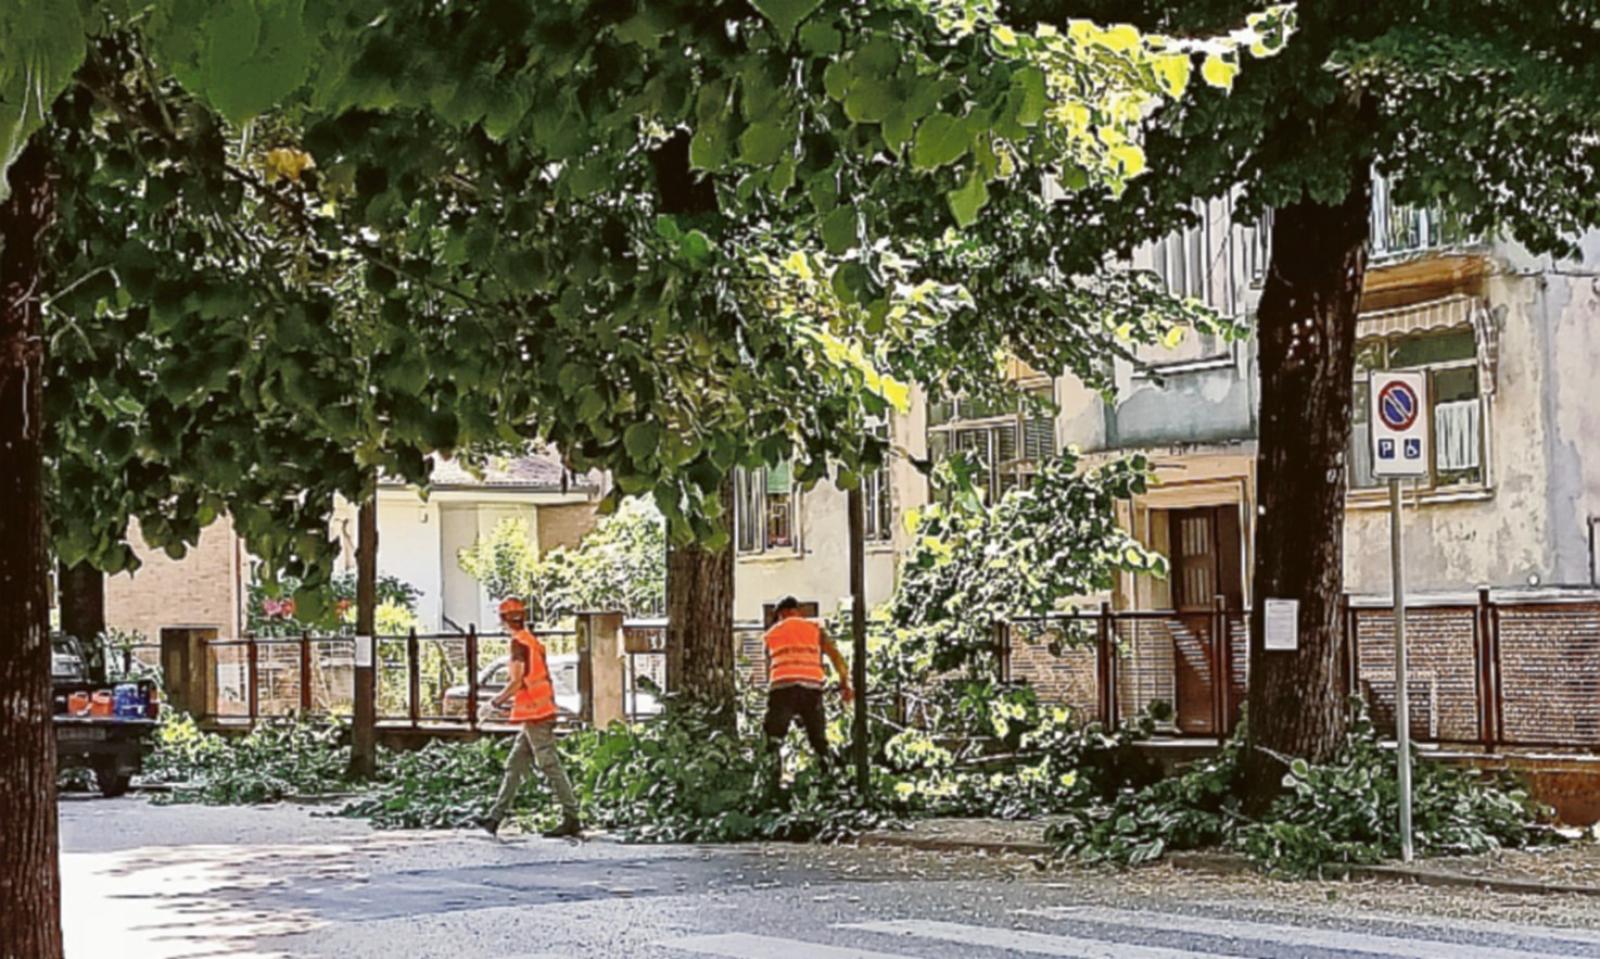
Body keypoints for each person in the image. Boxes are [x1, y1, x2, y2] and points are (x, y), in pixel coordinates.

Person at [475, 597, 581, 839]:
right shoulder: (531, 641)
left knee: (549, 764)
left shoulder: (518, 644)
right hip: (540, 710)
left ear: (503, 620)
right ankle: (495, 818)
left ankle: (572, 817)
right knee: (515, 764)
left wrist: (494, 703)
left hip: (536, 713)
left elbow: (516, 682)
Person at [762, 595, 853, 781]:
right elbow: (836, 658)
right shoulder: (815, 630)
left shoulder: (771, 635)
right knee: (818, 738)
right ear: (797, 611)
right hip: (811, 689)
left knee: (773, 738)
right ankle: (830, 777)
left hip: (782, 688)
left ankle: (771, 779)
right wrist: (845, 684)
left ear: (781, 613)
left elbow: (770, 666)